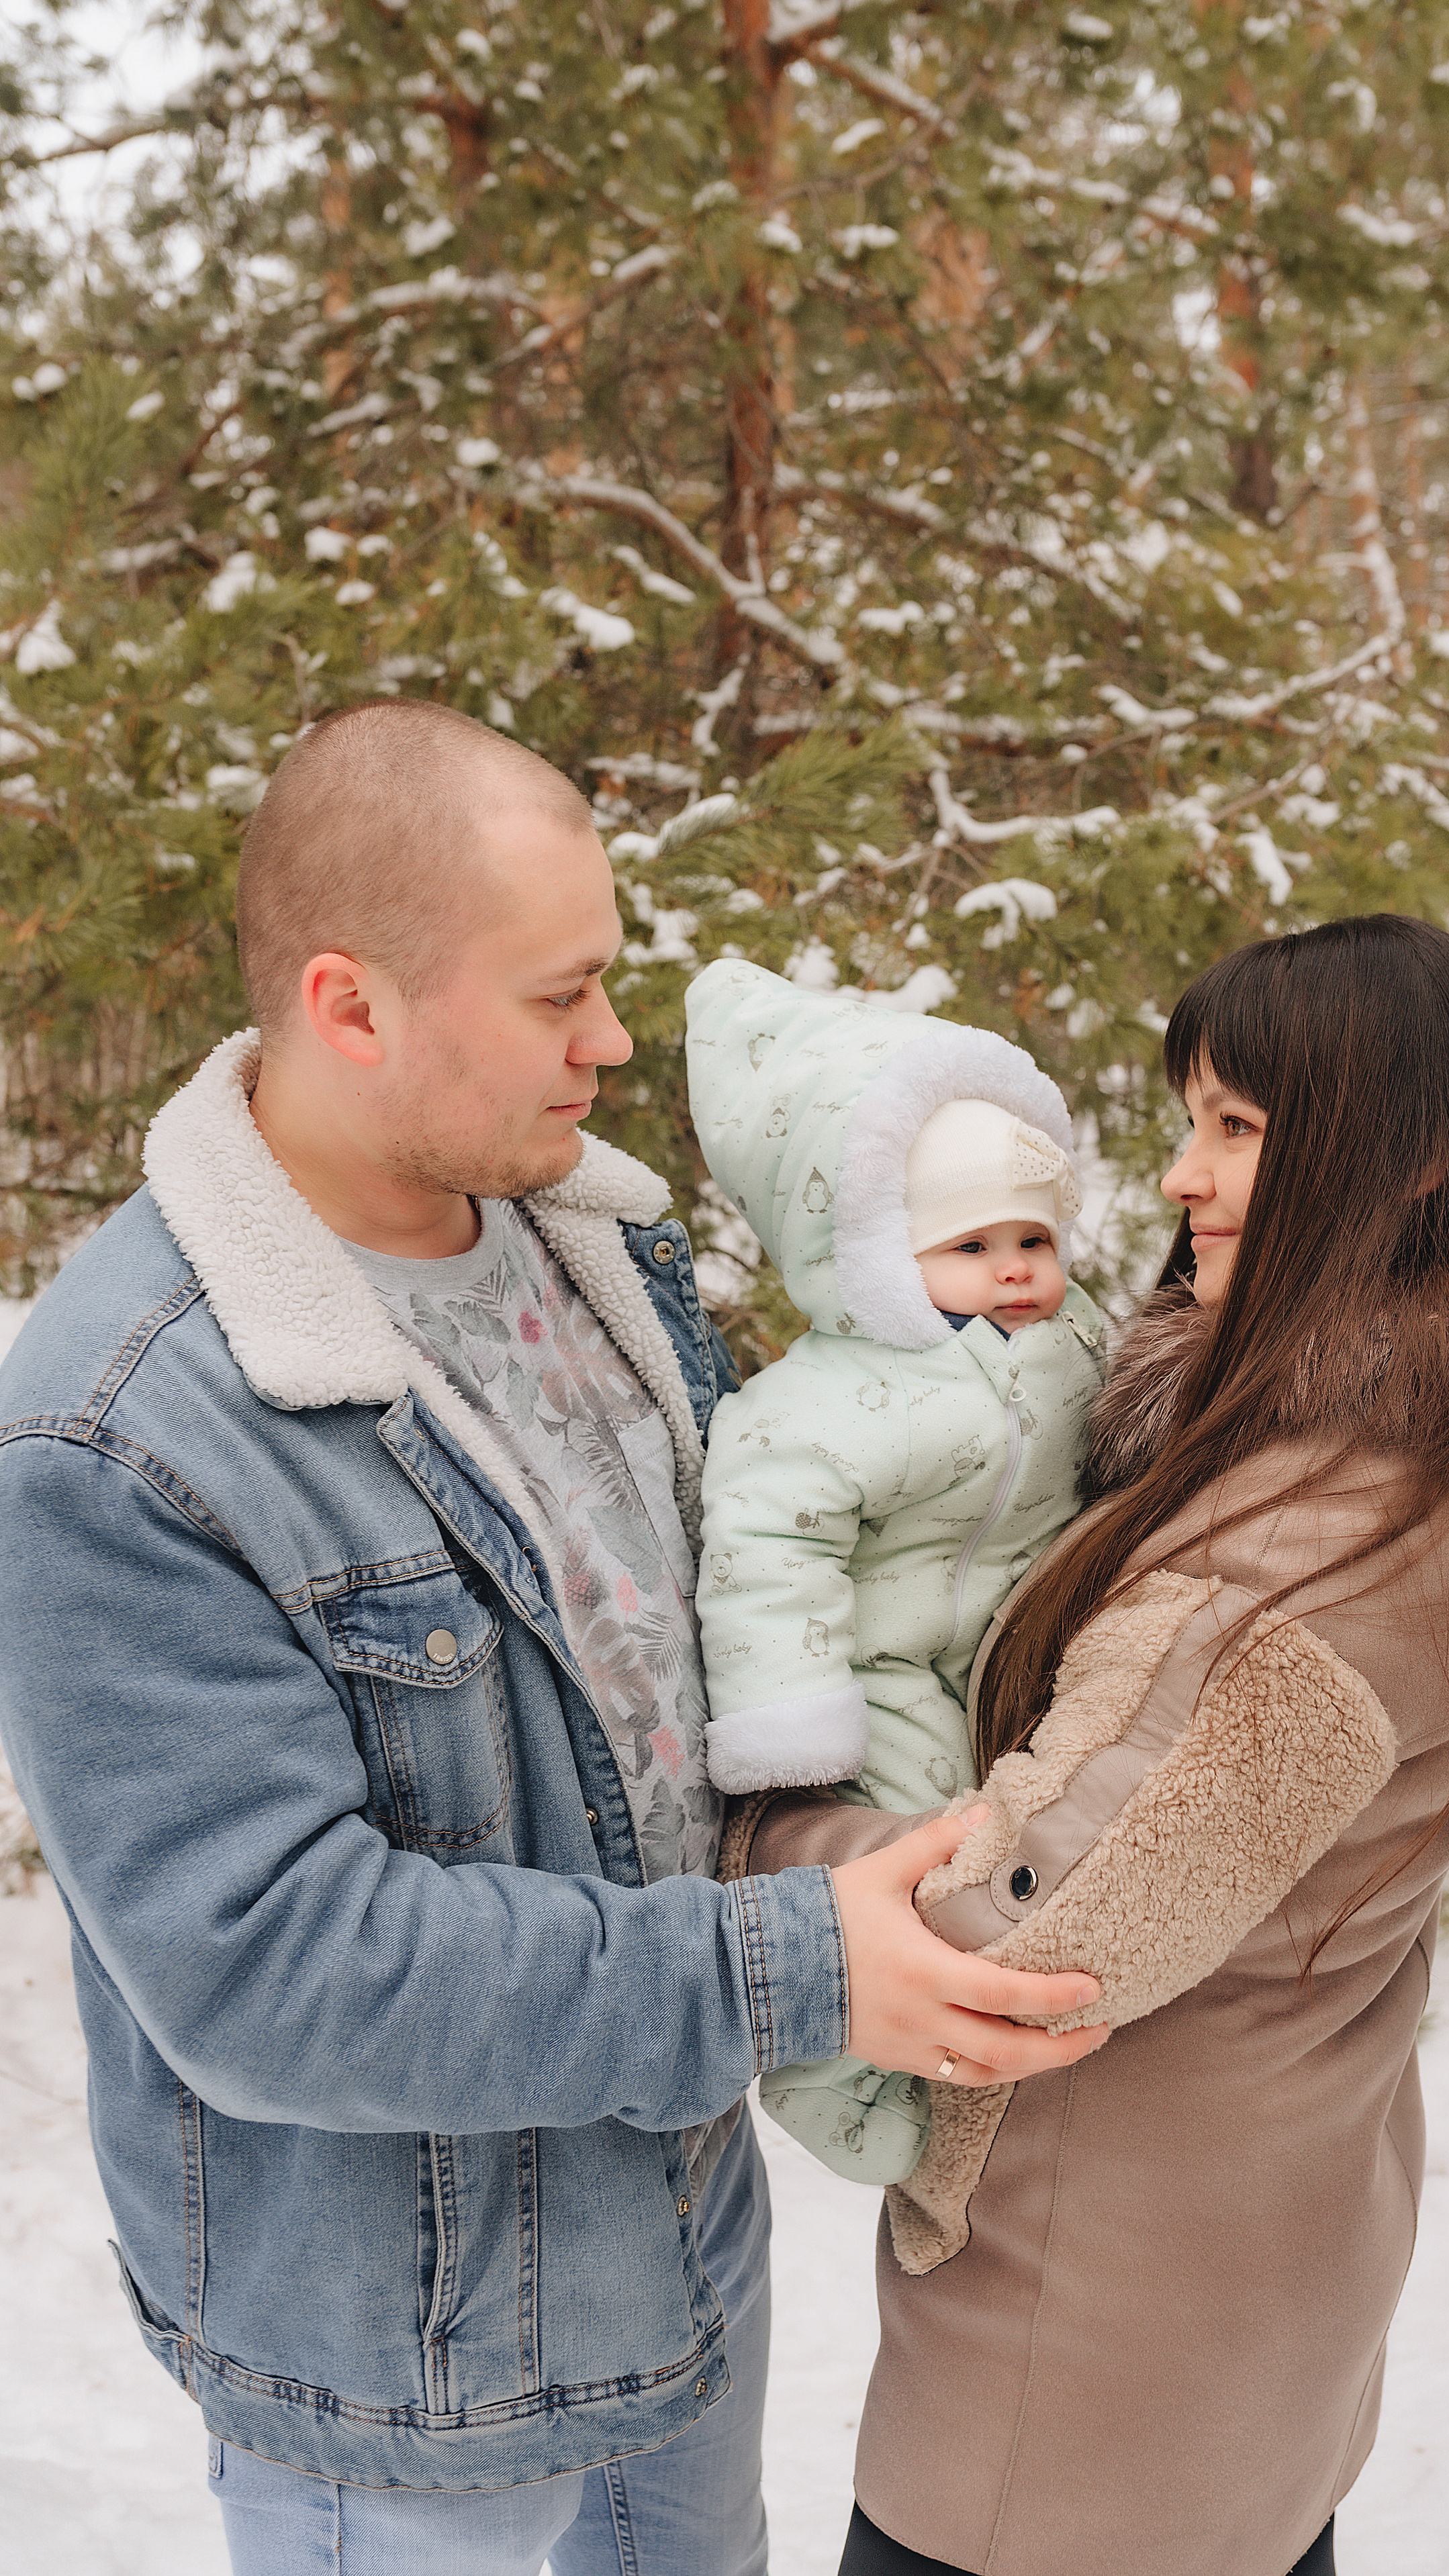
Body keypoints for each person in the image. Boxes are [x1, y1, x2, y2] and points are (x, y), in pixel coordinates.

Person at [0, 700, 1108, 2576]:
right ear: (351, 1005)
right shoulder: (125, 1423)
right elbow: (271, 1966)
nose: (610, 1041)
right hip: (410, 2365)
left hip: (678, 2241)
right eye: (558, 996)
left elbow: (700, 1660)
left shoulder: (595, 1236)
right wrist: (786, 1970)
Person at [732, 914, 1449, 2576]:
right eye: (1189, 1117)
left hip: (1086, 2387)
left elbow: (1019, 1927)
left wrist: (762, 1827)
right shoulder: (1394, 1444)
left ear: (1398, 1160)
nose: (1181, 1175)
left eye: (1236, 1127)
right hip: (1242, 2292)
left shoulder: (1308, 1544)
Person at [684, 960, 1107, 2182]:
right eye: (973, 1243)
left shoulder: (1065, 1347)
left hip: (1009, 1653)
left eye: (1035, 1237)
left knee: (1020, 1849)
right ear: (876, 1252)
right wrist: (790, 1730)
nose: (1017, 1266)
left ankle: (992, 2045)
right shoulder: (820, 1399)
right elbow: (769, 1544)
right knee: (908, 1858)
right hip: (883, 1674)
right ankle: (839, 2085)